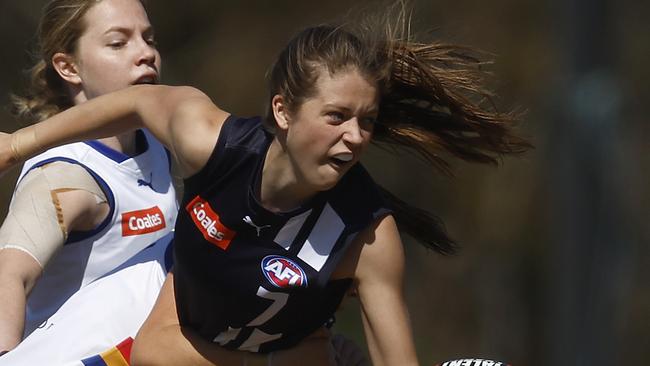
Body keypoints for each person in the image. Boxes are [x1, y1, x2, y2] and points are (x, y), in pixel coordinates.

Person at [0, 3, 530, 365]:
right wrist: (19, 144)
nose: (354, 138)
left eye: (366, 122)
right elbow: (137, 104)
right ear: (282, 110)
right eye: (337, 116)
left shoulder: (367, 237)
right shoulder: (207, 143)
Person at [0, 0, 177, 361]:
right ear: (69, 67)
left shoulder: (158, 143)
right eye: (118, 43)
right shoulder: (64, 174)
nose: (145, 53)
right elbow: (8, 276)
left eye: (149, 38)